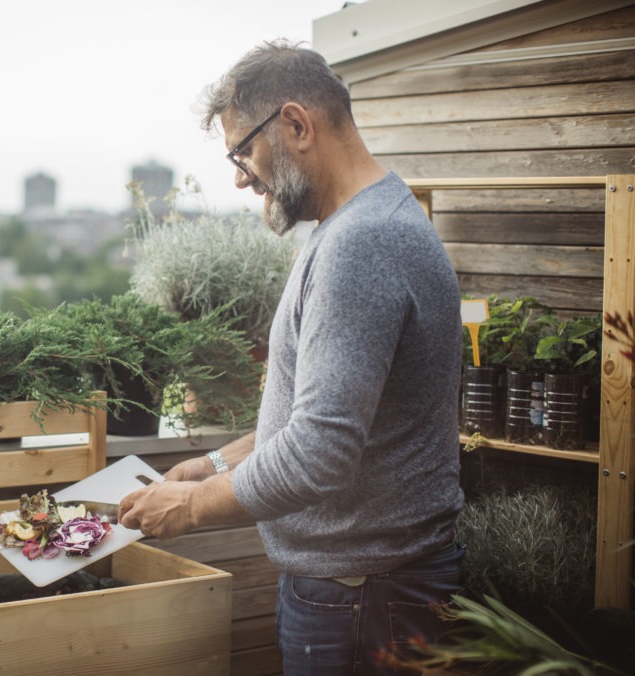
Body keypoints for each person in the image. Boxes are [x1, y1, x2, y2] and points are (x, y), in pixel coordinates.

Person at [118, 40, 465, 675]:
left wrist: (192, 506)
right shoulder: (363, 223)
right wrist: (212, 463)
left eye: (243, 151)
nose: (240, 177)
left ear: (296, 125)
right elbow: (328, 414)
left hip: (365, 601)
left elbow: (319, 450)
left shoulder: (364, 244)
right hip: (361, 592)